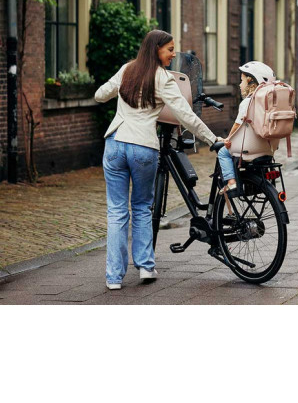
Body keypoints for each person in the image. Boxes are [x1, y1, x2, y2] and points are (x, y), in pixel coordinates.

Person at [94, 29, 221, 290]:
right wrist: (212, 139)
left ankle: (114, 278)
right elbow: (185, 115)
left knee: (117, 212)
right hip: (143, 147)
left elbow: (99, 95)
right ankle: (145, 267)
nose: (174, 55)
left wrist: (119, 90)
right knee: (141, 207)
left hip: (115, 145)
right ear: (156, 50)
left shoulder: (127, 69)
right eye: (170, 49)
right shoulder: (163, 78)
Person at [217, 61, 275, 205]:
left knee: (222, 152)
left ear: (250, 80)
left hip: (248, 148)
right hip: (267, 148)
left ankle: (231, 182)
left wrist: (228, 139)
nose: (239, 84)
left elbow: (237, 124)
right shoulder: (267, 102)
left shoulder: (248, 102)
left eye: (241, 80)